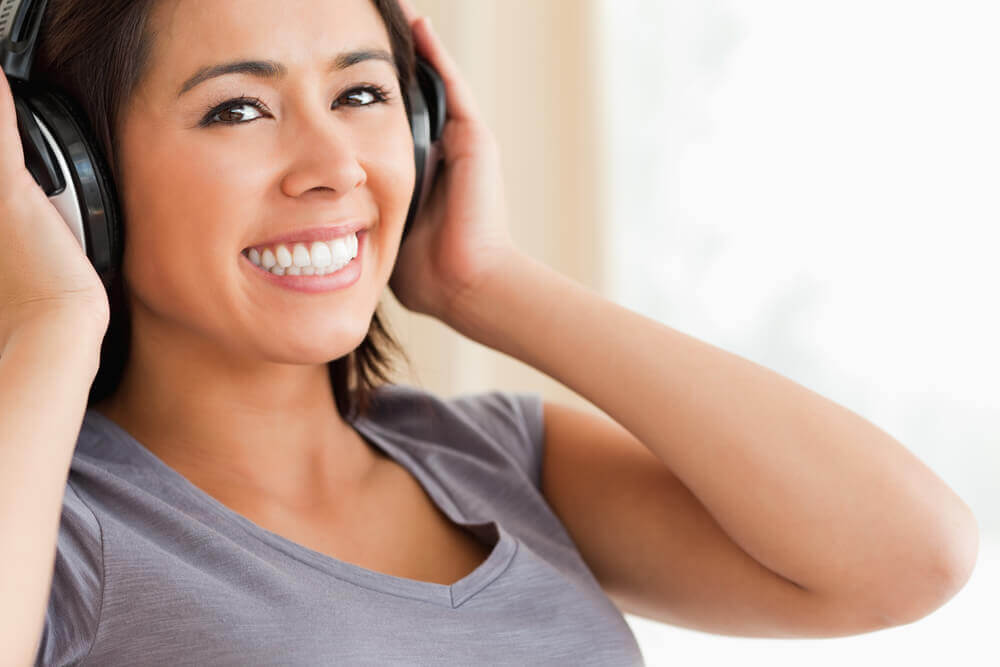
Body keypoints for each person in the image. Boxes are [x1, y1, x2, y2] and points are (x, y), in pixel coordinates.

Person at [0, 0, 979, 665]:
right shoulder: (64, 522)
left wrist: (488, 283)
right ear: (67, 172)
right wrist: (50, 319)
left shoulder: (492, 459)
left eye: (361, 94)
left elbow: (913, 556)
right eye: (238, 108)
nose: (334, 164)